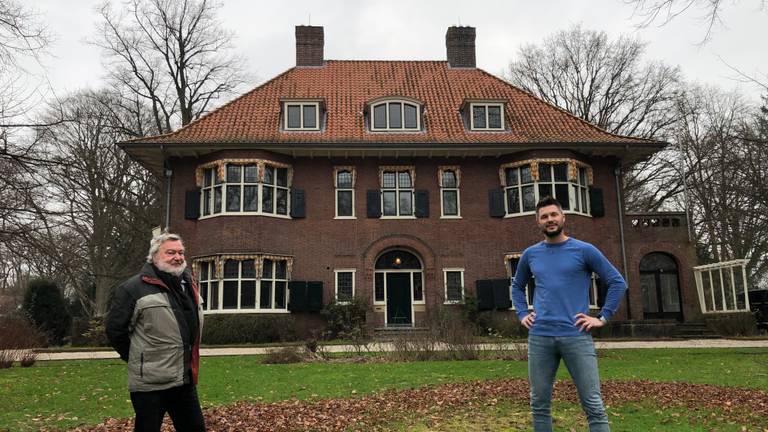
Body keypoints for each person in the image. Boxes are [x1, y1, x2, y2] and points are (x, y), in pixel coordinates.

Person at [511, 196, 627, 432]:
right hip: (540, 337)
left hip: (576, 335)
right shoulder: (531, 254)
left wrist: (602, 317)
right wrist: (522, 312)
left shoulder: (584, 250)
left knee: (593, 404)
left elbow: (617, 282)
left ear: (563, 217)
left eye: (554, 214)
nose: (550, 220)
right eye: (544, 216)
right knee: (539, 405)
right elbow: (516, 285)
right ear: (538, 222)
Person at [106, 232, 205, 432]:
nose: (178, 257)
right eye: (170, 253)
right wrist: (138, 357)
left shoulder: (189, 285)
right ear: (154, 256)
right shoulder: (133, 288)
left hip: (183, 380)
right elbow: (115, 330)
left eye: (181, 253)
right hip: (150, 385)